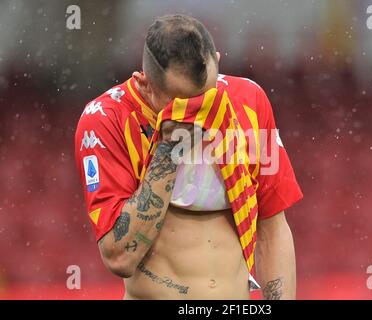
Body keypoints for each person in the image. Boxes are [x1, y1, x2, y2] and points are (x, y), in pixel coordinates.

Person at [74, 14, 303, 299]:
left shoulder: (250, 100)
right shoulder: (106, 119)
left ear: (217, 61)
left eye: (205, 95)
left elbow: (273, 228)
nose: (198, 108)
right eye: (183, 102)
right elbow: (119, 257)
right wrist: (170, 147)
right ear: (145, 84)